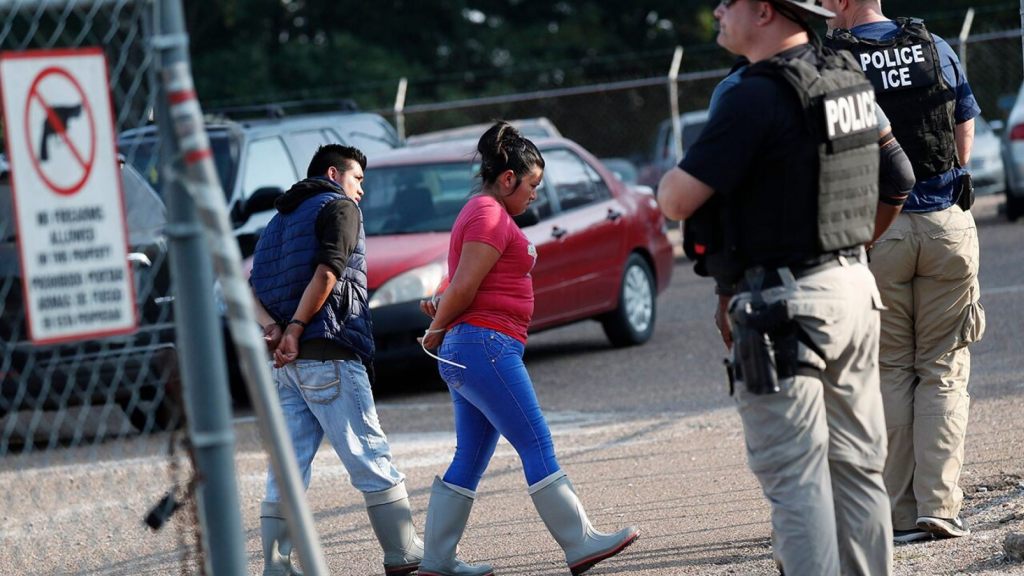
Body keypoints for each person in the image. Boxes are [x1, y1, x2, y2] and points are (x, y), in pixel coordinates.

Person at [658, 1, 894, 574]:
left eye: (727, 2)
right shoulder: (846, 76)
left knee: (797, 480)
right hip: (854, 290)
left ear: (763, 10)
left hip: (788, 307)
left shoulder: (755, 95)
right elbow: (899, 175)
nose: (715, 10)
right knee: (859, 472)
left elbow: (676, 200)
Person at [416, 121, 640, 576]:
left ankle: (437, 560)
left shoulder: (480, 213)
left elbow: (457, 279)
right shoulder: (490, 214)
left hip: (476, 348)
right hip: (484, 346)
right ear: (507, 179)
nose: (536, 194)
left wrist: (442, 312)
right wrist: (436, 328)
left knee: (470, 456)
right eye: (532, 185)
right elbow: (463, 284)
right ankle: (579, 543)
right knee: (536, 442)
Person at [822, 0, 986, 544]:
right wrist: (950, 188)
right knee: (942, 368)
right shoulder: (934, 45)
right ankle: (940, 506)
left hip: (878, 227)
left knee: (889, 368)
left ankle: (896, 512)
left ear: (844, 1)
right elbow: (964, 127)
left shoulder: (834, 62)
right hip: (946, 223)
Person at [249, 144, 423, 576]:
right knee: (368, 452)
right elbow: (329, 271)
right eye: (358, 178)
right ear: (334, 172)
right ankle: (403, 552)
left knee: (287, 467)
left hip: (287, 368)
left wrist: (273, 328)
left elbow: (248, 288)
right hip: (329, 352)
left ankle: (276, 564)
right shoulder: (339, 207)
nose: (361, 189)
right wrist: (293, 329)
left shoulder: (279, 220)